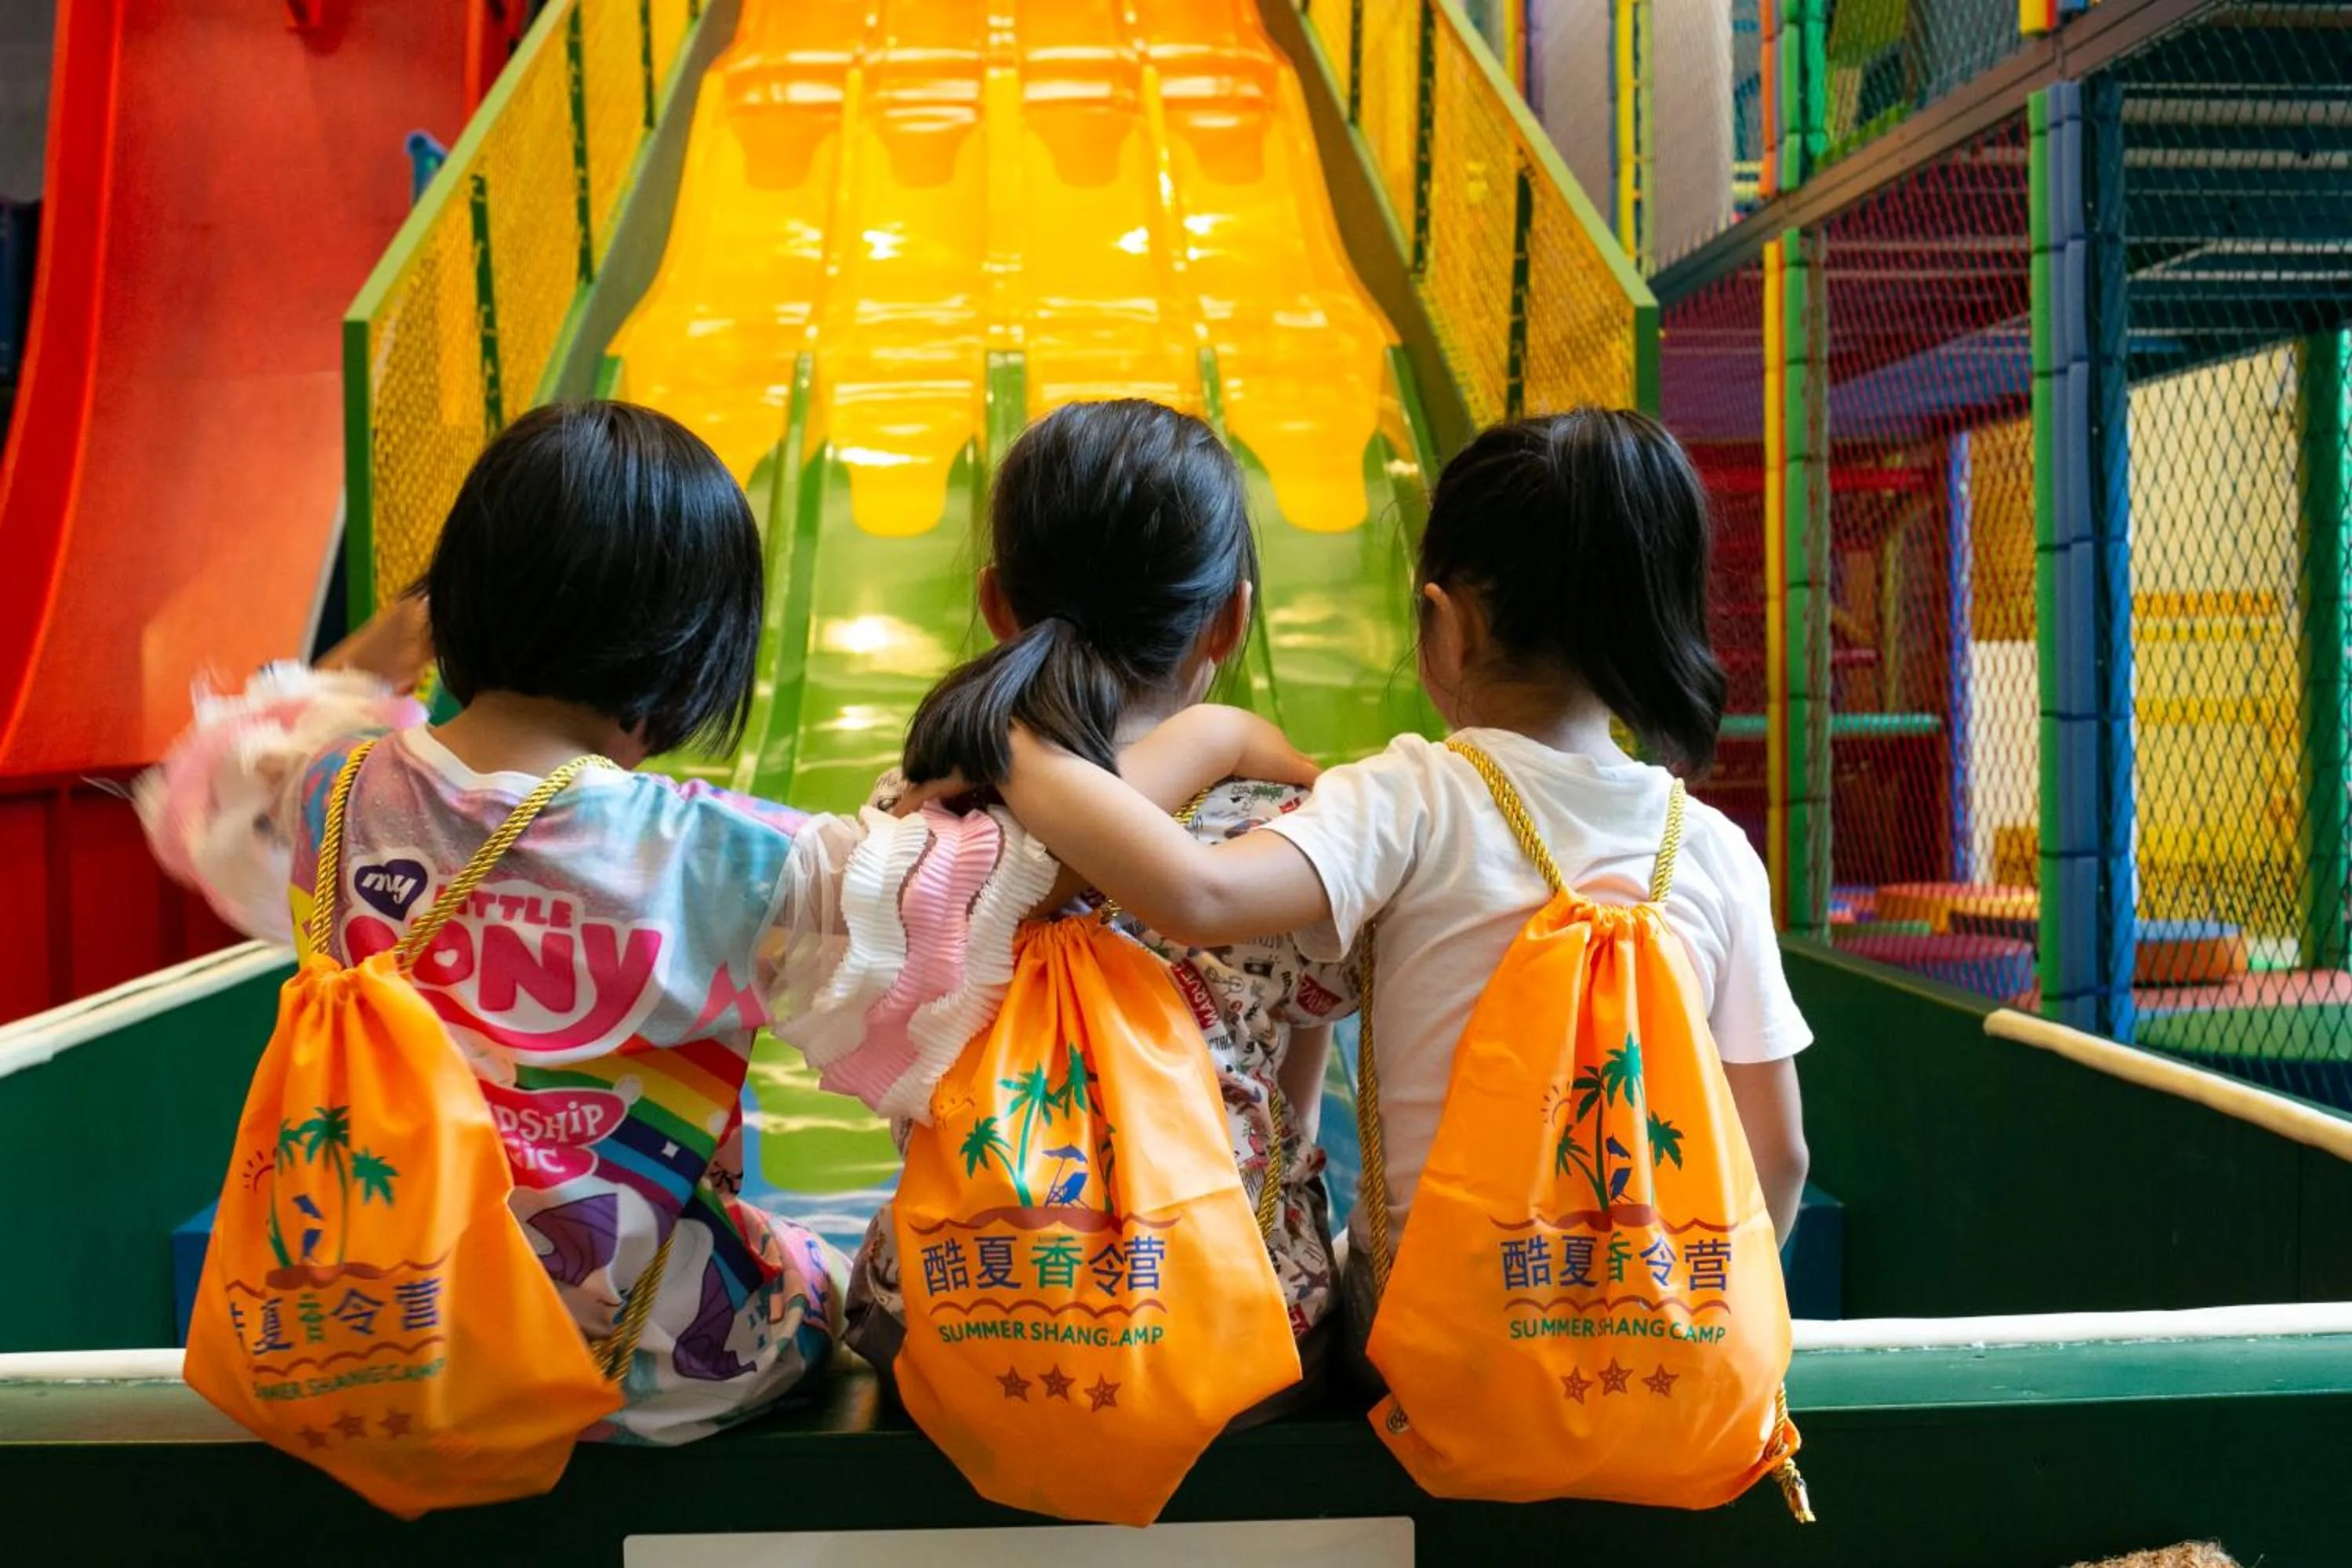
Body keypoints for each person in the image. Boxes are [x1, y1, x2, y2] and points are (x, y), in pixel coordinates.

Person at [136, 400, 1300, 1443]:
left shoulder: (330, 794)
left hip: (365, 1324)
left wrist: (394, 643)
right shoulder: (713, 853)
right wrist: (1213, 739)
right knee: (818, 1284)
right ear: (686, 649)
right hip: (622, 1368)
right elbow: (1013, 875)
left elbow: (219, 763)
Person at [931, 408, 1813, 1350]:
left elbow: (1195, 891)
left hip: (1433, 1352)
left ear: (1450, 624)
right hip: (1665, 1336)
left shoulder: (1405, 799)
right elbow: (1783, 1157)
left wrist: (1011, 744)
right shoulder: (1716, 848)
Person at [834, 398, 1360, 1420]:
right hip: (1233, 1343)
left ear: (997, 604)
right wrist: (1219, 737)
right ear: (1231, 618)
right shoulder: (1284, 832)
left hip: (955, 1330)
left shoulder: (918, 811)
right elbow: (1294, 1119)